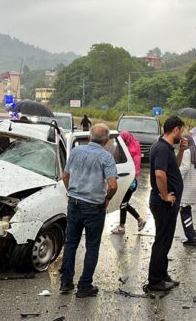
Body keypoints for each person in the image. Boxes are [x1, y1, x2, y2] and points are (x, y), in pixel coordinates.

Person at [59, 123, 118, 298]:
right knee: (92, 246)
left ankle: (65, 282)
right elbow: (113, 185)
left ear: (90, 137)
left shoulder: (76, 152)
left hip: (75, 203)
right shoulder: (106, 158)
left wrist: (71, 192)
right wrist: (106, 198)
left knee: (71, 243)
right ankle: (84, 286)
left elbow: (65, 175)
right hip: (94, 207)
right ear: (106, 141)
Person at [144, 116, 187, 292]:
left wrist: (181, 151)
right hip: (163, 203)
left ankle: (163, 275)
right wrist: (165, 196)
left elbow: (172, 168)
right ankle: (155, 281)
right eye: (182, 131)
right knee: (162, 240)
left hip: (166, 203)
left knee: (166, 239)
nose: (182, 135)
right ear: (176, 130)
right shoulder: (161, 148)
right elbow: (160, 174)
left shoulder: (166, 147)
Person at [111, 131, 148, 234]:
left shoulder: (130, 151)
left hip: (131, 181)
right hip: (132, 181)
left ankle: (123, 226)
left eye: (123, 140)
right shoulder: (135, 147)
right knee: (123, 203)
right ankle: (139, 220)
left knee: (123, 203)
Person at [179, 134, 196, 246]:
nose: (182, 143)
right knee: (186, 211)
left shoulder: (187, 152)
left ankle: (191, 237)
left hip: (187, 187)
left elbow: (184, 168)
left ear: (189, 141)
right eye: (181, 141)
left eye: (184, 141)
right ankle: (191, 236)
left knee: (184, 212)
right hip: (194, 186)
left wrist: (176, 179)